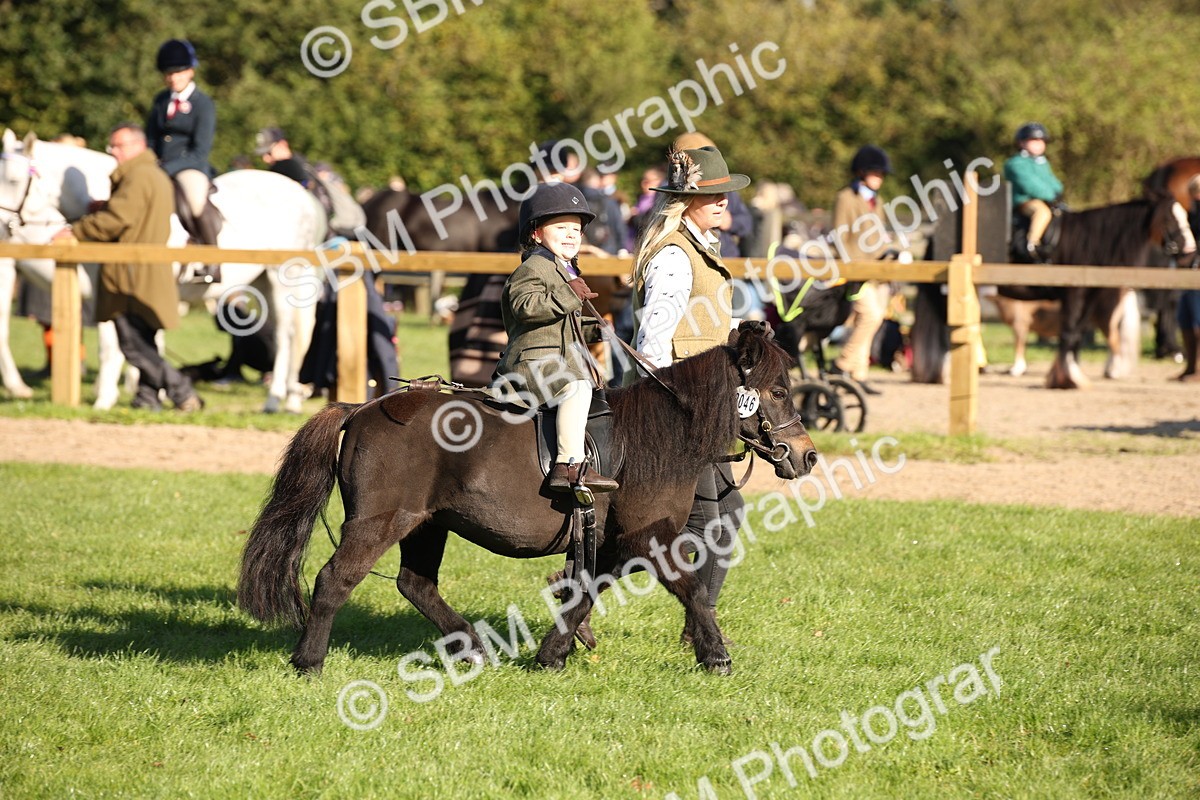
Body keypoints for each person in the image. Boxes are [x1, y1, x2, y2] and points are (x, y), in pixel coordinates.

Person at [632, 144, 750, 637]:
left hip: (706, 408)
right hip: (681, 412)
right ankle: (702, 627)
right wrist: (663, 416)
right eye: (713, 194)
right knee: (707, 523)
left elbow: (710, 326)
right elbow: (651, 346)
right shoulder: (677, 258)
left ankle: (698, 622)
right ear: (688, 200)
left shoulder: (701, 249)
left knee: (727, 514)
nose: (724, 201)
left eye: (725, 194)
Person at [51, 123, 203, 411]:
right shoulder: (148, 174)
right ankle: (146, 398)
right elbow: (128, 213)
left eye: (117, 146)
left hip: (131, 274)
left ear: (135, 146)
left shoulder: (138, 175)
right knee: (143, 339)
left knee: (132, 344)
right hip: (143, 271)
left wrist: (76, 231)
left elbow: (118, 219)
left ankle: (181, 390)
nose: (113, 152)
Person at [492, 182, 619, 493]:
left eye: (576, 229)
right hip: (530, 362)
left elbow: (563, 326)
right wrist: (567, 294)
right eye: (561, 227)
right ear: (536, 233)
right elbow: (525, 308)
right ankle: (568, 465)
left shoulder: (564, 270)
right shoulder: (533, 267)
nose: (572, 234)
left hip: (554, 359)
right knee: (576, 386)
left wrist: (596, 330)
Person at [829, 144, 894, 394]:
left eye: (881, 174)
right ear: (862, 172)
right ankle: (843, 363)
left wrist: (888, 252)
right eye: (875, 173)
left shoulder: (876, 201)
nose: (879, 178)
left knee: (870, 319)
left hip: (875, 270)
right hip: (853, 269)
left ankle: (858, 373)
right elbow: (838, 236)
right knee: (871, 316)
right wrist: (855, 265)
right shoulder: (846, 197)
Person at [145, 38, 218, 245]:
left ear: (190, 72)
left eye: (178, 72)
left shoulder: (203, 104)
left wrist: (168, 168)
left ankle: (211, 259)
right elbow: (151, 138)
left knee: (195, 202)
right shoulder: (160, 100)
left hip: (189, 166)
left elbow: (200, 151)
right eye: (168, 73)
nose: (173, 78)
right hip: (158, 165)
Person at [1003, 122, 1063, 262]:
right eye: (1034, 140)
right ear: (1022, 143)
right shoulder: (1016, 164)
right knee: (1042, 212)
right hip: (1025, 201)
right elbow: (1030, 186)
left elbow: (1052, 181)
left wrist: (1058, 191)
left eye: (1041, 141)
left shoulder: (1042, 163)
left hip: (1046, 199)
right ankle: (1032, 244)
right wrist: (1051, 195)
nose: (1038, 144)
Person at [1177, 174, 1200, 382]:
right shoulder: (1192, 214)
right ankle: (1191, 367)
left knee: (1197, 320)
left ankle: (1198, 369)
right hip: (1190, 272)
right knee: (1185, 318)